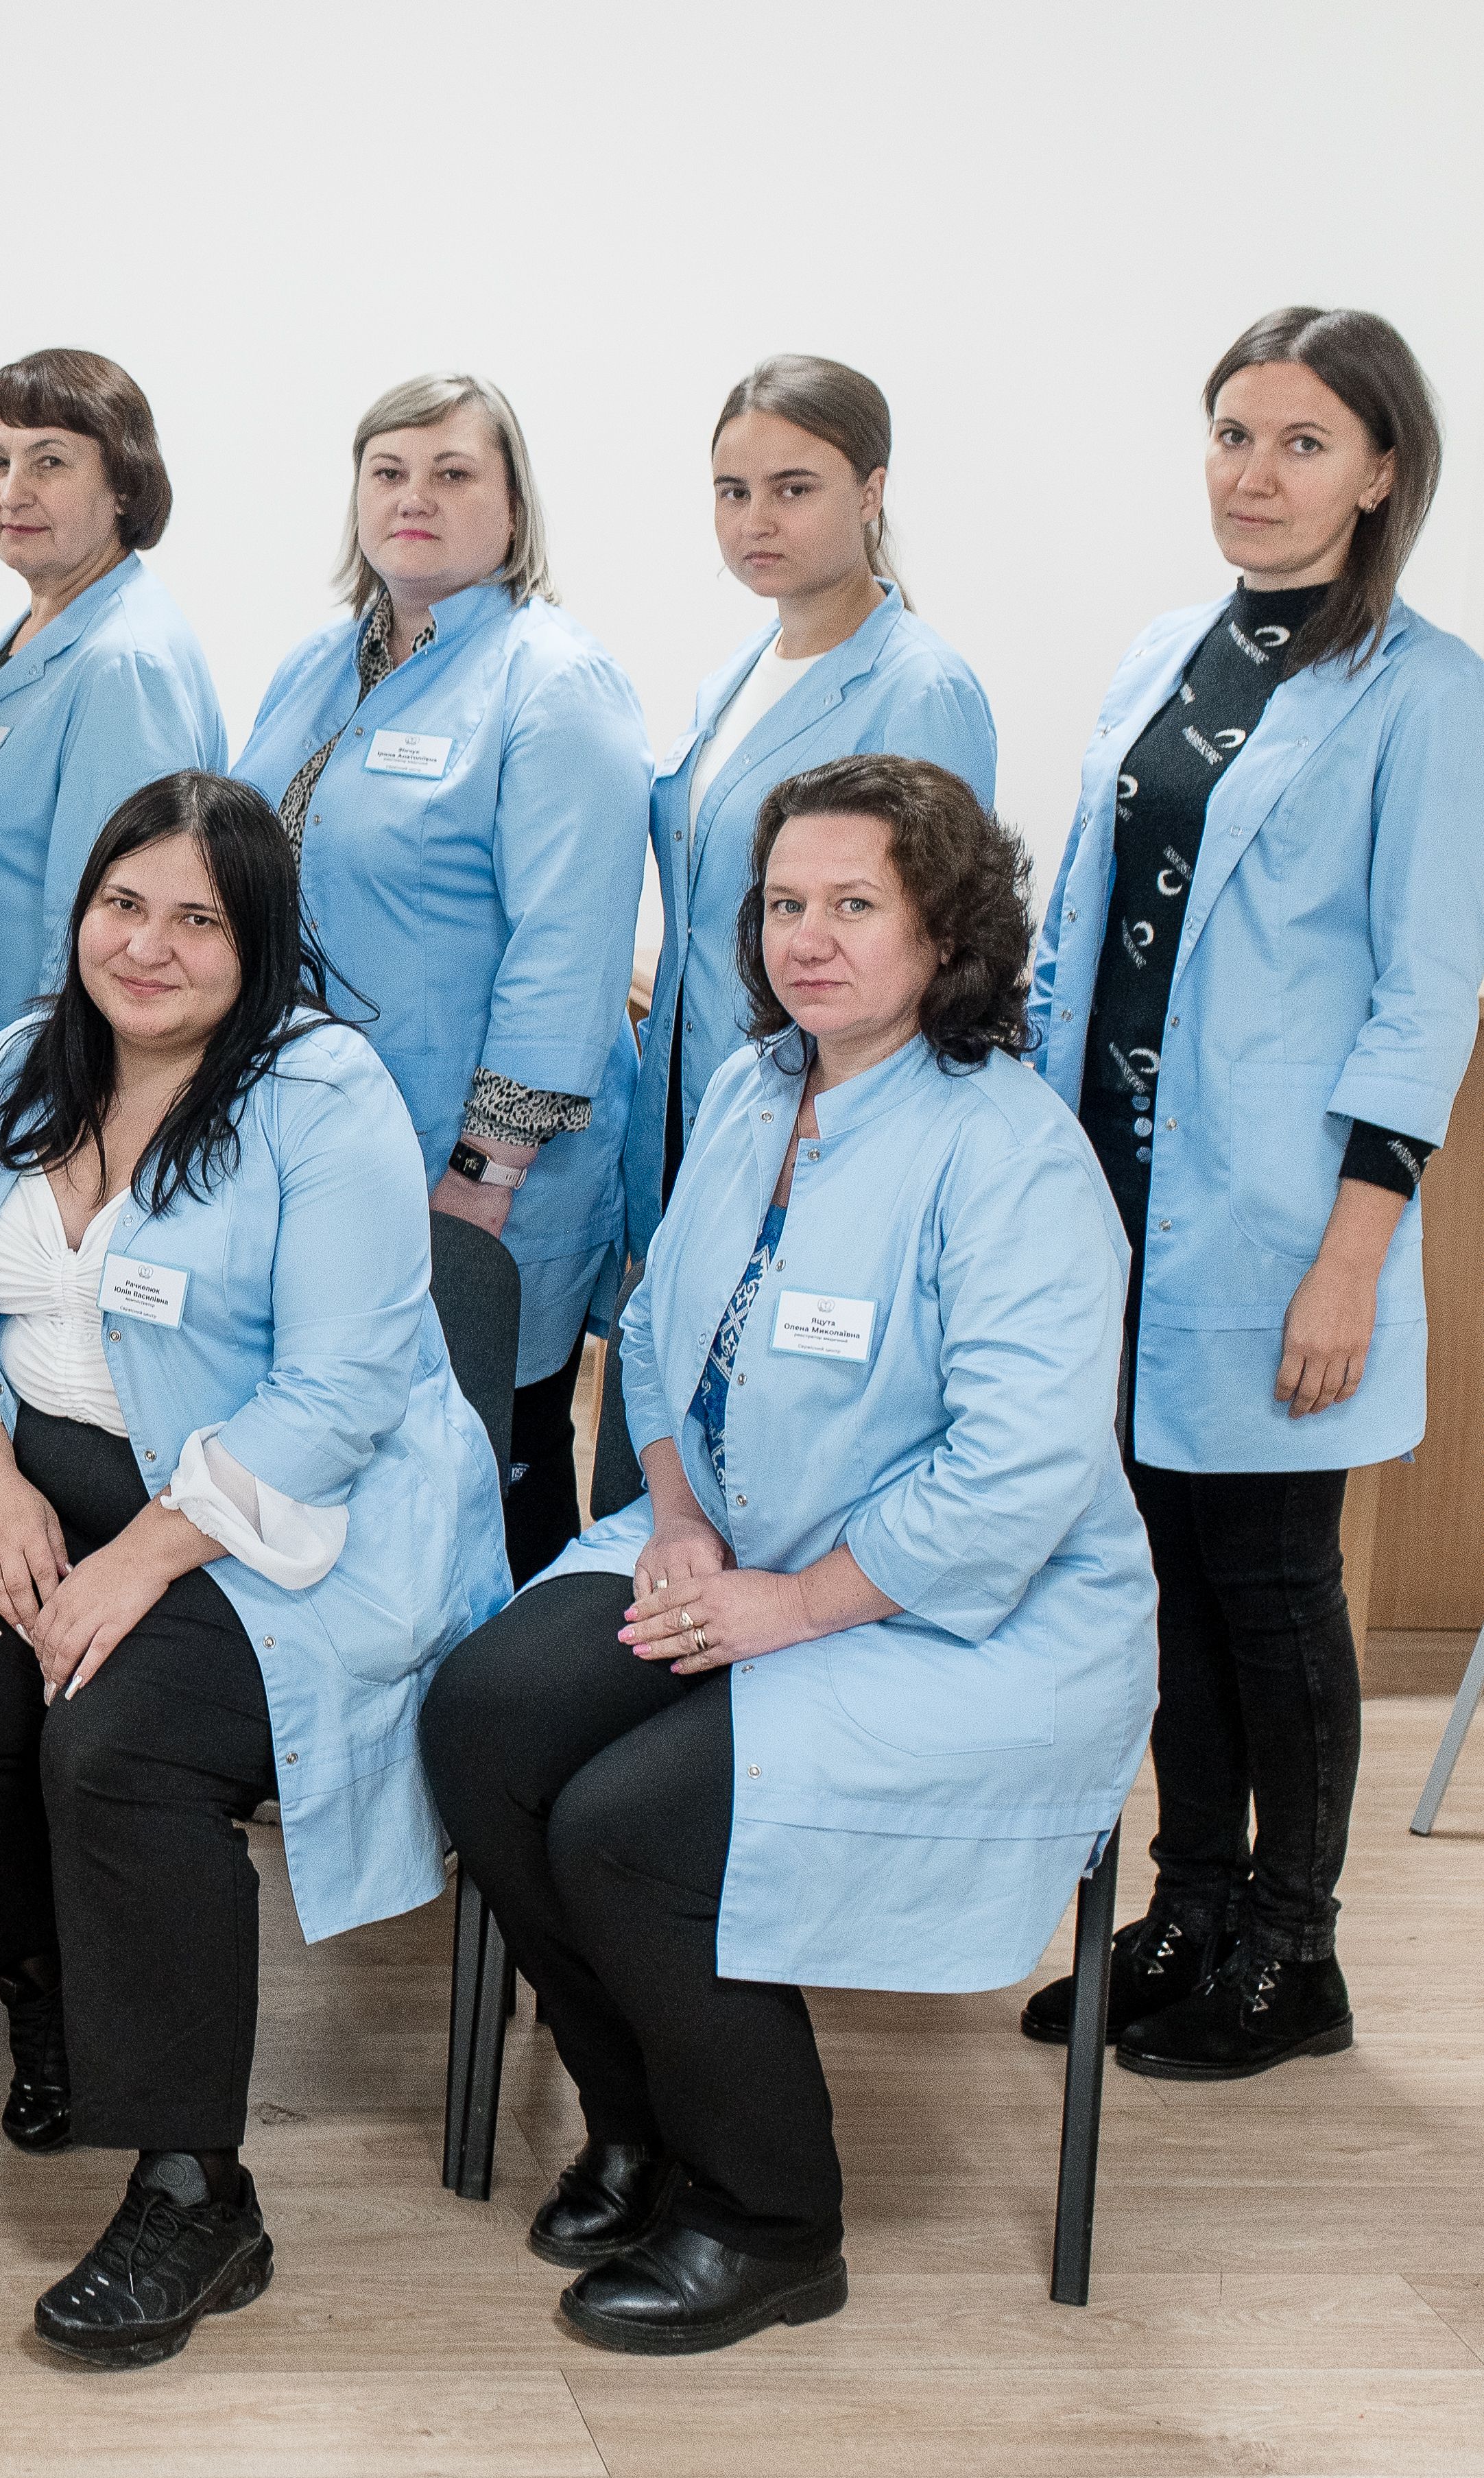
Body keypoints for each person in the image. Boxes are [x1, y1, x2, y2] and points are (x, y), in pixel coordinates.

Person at [423, 755, 1153, 2357]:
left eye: (853, 904)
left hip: (965, 1616)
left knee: (631, 1829)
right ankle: (639, 2122)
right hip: (731, 1539)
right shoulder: (764, 1088)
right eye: (781, 903)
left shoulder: (1009, 1154)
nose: (805, 938)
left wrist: (792, 1604)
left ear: (947, 932)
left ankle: (771, 2217)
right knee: (483, 1719)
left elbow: (1017, 1476)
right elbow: (662, 1332)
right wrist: (682, 1525)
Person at [0, 770, 507, 2371]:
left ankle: (198, 2191)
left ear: (258, 943)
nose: (147, 945)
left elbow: (340, 1393)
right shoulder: (23, 1063)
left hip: (275, 1513)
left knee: (115, 1739)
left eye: (197, 919)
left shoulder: (322, 1095)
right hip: (40, 1472)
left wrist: (140, 1556)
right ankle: (52, 1983)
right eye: (123, 904)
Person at [1020, 306, 1484, 2078]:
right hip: (1120, 1206)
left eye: (1301, 442)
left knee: (1272, 1582)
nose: (1255, 473)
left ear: (1378, 472)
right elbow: (1086, 924)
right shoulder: (1168, 653)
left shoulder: (1428, 694)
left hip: (1284, 1225)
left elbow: (1424, 997)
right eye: (1232, 434)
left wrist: (1352, 1256)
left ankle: (1297, 1948)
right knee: (1163, 1572)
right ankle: (1189, 1906)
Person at [231, 371, 647, 1578]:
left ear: (513, 509)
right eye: (389, 472)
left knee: (484, 1466)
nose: (414, 497)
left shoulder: (553, 682)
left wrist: (481, 1174)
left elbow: (567, 955)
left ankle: (508, 1693)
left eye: (452, 473)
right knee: (349, 1459)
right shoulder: (317, 665)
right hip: (314, 1150)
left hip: (476, 1174)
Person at [630, 356, 996, 1252]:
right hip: (696, 1101)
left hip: (822, 1128)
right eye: (733, 492)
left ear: (872, 492)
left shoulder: (920, 691)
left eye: (792, 489)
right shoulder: (736, 676)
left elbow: (936, 952)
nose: (755, 520)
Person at [0, 350, 224, 1234]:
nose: (13, 490)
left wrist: (70, 1113)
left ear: (124, 484)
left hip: (59, 1094)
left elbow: (123, 927)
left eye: (49, 461)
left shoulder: (124, 664)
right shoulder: (45, 626)